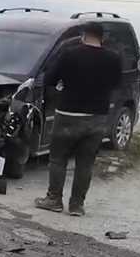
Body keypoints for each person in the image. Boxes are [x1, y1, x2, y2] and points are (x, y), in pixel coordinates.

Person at [34, 21, 122, 216]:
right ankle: (77, 206)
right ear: (101, 37)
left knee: (58, 158)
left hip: (68, 115)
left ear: (83, 35)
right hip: (97, 118)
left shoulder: (70, 54)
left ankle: (54, 199)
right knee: (85, 162)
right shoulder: (114, 58)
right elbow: (116, 84)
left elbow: (49, 80)